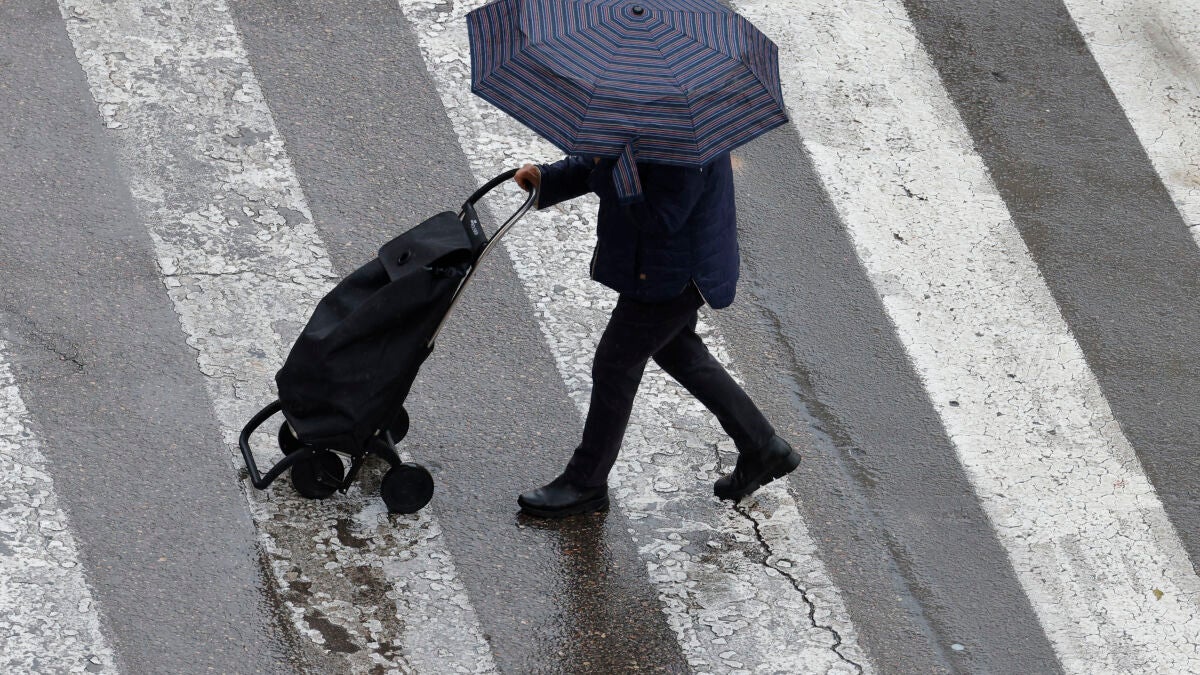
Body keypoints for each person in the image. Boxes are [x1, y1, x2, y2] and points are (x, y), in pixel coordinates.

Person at [512, 154, 800, 518]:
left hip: (673, 274)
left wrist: (605, 171)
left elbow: (660, 216)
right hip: (666, 266)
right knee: (677, 350)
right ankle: (762, 446)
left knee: (615, 366)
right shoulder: (654, 124)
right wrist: (550, 178)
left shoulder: (683, 149)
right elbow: (613, 150)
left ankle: (585, 483)